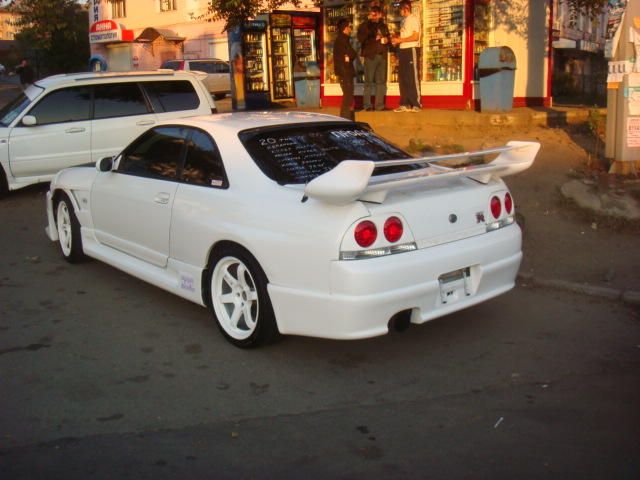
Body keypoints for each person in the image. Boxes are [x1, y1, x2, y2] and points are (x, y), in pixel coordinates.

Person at [357, 6, 391, 111]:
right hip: (370, 55)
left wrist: (387, 40)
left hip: (382, 55)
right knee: (368, 82)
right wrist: (373, 38)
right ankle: (367, 105)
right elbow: (361, 39)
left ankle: (379, 106)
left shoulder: (383, 26)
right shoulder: (365, 25)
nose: (375, 16)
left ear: (380, 14)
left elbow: (388, 37)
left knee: (381, 82)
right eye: (373, 13)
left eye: (376, 13)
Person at [391, 0, 421, 112]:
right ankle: (404, 103)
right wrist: (397, 40)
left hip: (411, 49)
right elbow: (405, 35)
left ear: (406, 8)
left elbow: (415, 37)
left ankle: (416, 103)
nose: (400, 11)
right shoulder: (403, 20)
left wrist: (400, 40)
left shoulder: (414, 19)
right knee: (403, 77)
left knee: (412, 76)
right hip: (402, 49)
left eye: (401, 9)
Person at [333, 18, 357, 120]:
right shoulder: (342, 39)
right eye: (349, 27)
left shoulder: (342, 39)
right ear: (345, 28)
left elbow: (349, 54)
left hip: (344, 71)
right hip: (345, 71)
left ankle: (346, 116)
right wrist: (349, 56)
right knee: (348, 96)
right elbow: (352, 53)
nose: (350, 29)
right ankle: (345, 117)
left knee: (348, 95)